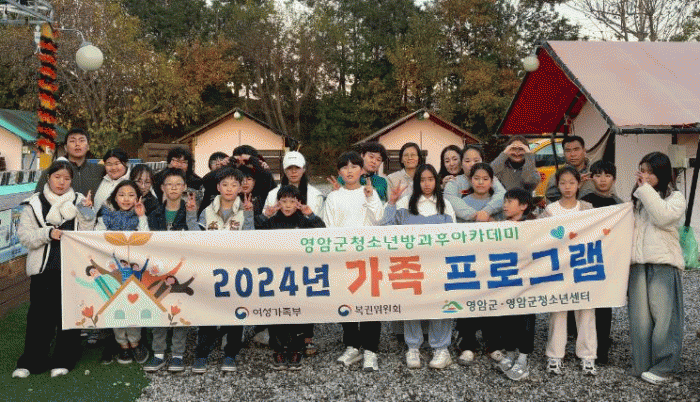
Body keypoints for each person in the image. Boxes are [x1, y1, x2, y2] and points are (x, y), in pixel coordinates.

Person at [12, 161, 95, 379]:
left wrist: (87, 211)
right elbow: (25, 237)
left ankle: (64, 359)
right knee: (39, 318)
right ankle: (31, 361)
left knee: (68, 316)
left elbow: (88, 233)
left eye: (66, 178)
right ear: (48, 178)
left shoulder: (79, 201)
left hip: (72, 269)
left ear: (71, 181)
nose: (62, 182)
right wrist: (47, 233)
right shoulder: (34, 203)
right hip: (43, 270)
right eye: (57, 177)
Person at [381, 164, 455, 369]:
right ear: (416, 182)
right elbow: (386, 230)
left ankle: (441, 348)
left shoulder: (445, 205)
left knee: (441, 302)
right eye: (422, 180)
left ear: (437, 181)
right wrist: (391, 202)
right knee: (411, 304)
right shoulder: (404, 203)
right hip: (410, 265)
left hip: (438, 265)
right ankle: (413, 346)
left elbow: (454, 236)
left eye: (430, 179)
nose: (426, 184)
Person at [322, 152, 383, 372]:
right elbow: (328, 226)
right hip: (343, 257)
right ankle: (352, 345)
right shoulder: (334, 197)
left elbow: (379, 220)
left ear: (362, 170)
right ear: (339, 171)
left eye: (354, 166)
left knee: (370, 302)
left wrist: (370, 197)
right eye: (345, 167)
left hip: (367, 257)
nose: (349, 171)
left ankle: (371, 349)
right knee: (346, 300)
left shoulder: (370, 192)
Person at [628, 152, 685, 385]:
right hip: (638, 264)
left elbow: (662, 217)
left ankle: (664, 368)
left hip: (663, 262)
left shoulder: (676, 197)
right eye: (643, 170)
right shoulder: (637, 200)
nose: (646, 176)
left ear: (662, 173)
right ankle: (643, 364)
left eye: (651, 171)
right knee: (640, 319)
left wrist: (644, 190)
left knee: (665, 319)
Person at [191, 167, 253, 374]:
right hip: (211, 270)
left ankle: (230, 354)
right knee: (208, 313)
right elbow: (195, 238)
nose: (229, 188)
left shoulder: (245, 210)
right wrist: (191, 214)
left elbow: (252, 239)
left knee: (235, 313)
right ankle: (202, 354)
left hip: (236, 270)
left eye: (234, 185)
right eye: (225, 184)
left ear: (240, 188)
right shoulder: (207, 211)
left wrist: (250, 215)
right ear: (218, 187)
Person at [257, 185, 326, 369]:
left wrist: (311, 214)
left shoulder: (304, 221)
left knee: (298, 312)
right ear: (278, 203)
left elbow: (323, 231)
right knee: (277, 313)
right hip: (275, 274)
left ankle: (296, 349)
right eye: (284, 201)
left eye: (292, 201)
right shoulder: (272, 221)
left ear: (299, 203)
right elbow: (253, 231)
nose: (288, 205)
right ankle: (278, 349)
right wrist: (265, 215)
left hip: (299, 274)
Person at [540, 166, 597, 376]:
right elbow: (540, 236)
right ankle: (555, 356)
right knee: (558, 311)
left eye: (572, 183)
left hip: (582, 266)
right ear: (557, 185)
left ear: (579, 184)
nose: (567, 187)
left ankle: (588, 356)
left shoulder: (588, 208)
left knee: (586, 310)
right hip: (559, 268)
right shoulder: (550, 210)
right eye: (563, 183)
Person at [144, 168, 198, 373]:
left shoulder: (191, 209)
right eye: (169, 184)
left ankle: (178, 354)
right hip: (158, 269)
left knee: (179, 309)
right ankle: (158, 353)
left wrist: (192, 214)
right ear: (162, 188)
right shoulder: (154, 213)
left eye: (178, 184)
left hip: (183, 268)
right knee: (158, 309)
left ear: (184, 187)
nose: (173, 188)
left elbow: (198, 238)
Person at [93, 180, 150, 365]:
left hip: (133, 271)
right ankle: (122, 344)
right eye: (122, 195)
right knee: (115, 307)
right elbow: (97, 239)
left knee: (133, 307)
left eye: (131, 195)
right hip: (113, 270)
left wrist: (142, 216)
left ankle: (135, 342)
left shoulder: (140, 216)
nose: (126, 199)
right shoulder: (105, 216)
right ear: (115, 197)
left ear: (138, 198)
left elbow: (146, 238)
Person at [453, 163, 502, 365]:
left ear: (492, 181)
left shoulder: (498, 203)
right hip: (469, 260)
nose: (481, 182)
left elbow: (506, 228)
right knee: (468, 302)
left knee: (492, 302)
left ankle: (493, 344)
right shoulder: (462, 203)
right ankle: (467, 345)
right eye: (476, 178)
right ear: (470, 180)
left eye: (485, 179)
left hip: (492, 260)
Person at [492, 188, 538, 381]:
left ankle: (523, 356)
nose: (505, 205)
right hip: (507, 280)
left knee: (526, 318)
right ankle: (510, 352)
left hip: (527, 282)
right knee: (507, 317)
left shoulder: (534, 225)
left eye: (510, 202)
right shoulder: (500, 226)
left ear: (524, 206)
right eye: (504, 201)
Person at [580, 160, 622, 365]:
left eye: (607, 175)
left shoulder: (620, 204)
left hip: (608, 260)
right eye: (597, 175)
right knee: (586, 305)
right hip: (587, 259)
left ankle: (602, 349)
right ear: (591, 178)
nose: (603, 180)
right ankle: (586, 347)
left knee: (604, 306)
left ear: (614, 179)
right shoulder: (584, 201)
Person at [34, 127, 105, 196]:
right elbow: (36, 198)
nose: (77, 144)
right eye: (72, 141)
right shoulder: (52, 170)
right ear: (65, 148)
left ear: (88, 147)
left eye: (81, 140)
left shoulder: (100, 170)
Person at [444, 145, 506, 223]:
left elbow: (502, 194)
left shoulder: (491, 179)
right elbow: (450, 200)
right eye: (467, 161)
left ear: (482, 162)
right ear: (461, 164)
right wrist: (475, 215)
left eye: (476, 160)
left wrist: (487, 211)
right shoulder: (454, 182)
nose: (472, 164)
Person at [265, 151, 324, 216]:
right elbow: (265, 218)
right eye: (289, 168)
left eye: (297, 167)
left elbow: (320, 220)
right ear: (284, 170)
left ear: (304, 169)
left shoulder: (316, 195)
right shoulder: (272, 194)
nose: (293, 171)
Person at [544, 135, 595, 203]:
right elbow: (551, 198)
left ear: (584, 151)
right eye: (568, 151)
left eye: (576, 149)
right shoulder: (558, 175)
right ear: (564, 153)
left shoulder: (595, 171)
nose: (572, 154)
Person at [93, 148, 131, 213]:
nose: (113, 168)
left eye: (117, 164)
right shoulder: (102, 179)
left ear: (125, 163)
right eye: (109, 164)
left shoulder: (132, 180)